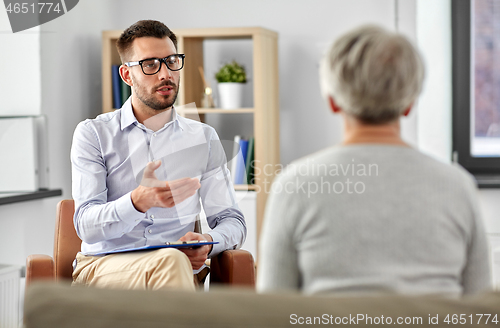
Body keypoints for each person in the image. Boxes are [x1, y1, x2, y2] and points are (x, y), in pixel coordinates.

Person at [257, 25, 491, 296]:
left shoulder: (295, 185)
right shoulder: (457, 186)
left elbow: (273, 310)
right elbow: (480, 309)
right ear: (410, 103)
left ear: (332, 101)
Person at [71, 20, 246, 291]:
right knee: (170, 262)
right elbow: (86, 226)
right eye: (150, 64)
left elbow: (232, 220)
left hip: (178, 267)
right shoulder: (93, 133)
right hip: (103, 267)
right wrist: (137, 202)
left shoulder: (204, 137)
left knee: (171, 261)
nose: (166, 74)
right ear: (127, 75)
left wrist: (208, 241)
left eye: (171, 61)